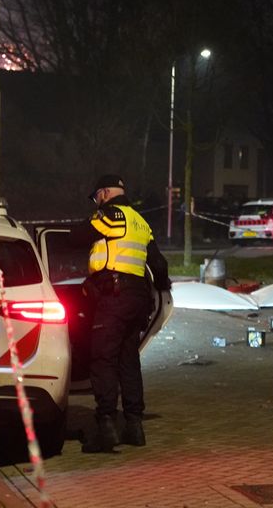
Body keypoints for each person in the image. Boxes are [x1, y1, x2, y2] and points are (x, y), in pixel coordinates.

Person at [68, 174, 172, 453]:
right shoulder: (140, 221)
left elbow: (77, 237)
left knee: (103, 358)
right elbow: (159, 264)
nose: (96, 203)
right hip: (138, 297)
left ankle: (106, 426)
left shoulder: (110, 215)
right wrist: (163, 291)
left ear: (104, 192)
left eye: (96, 197)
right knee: (128, 360)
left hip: (114, 295)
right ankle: (134, 426)